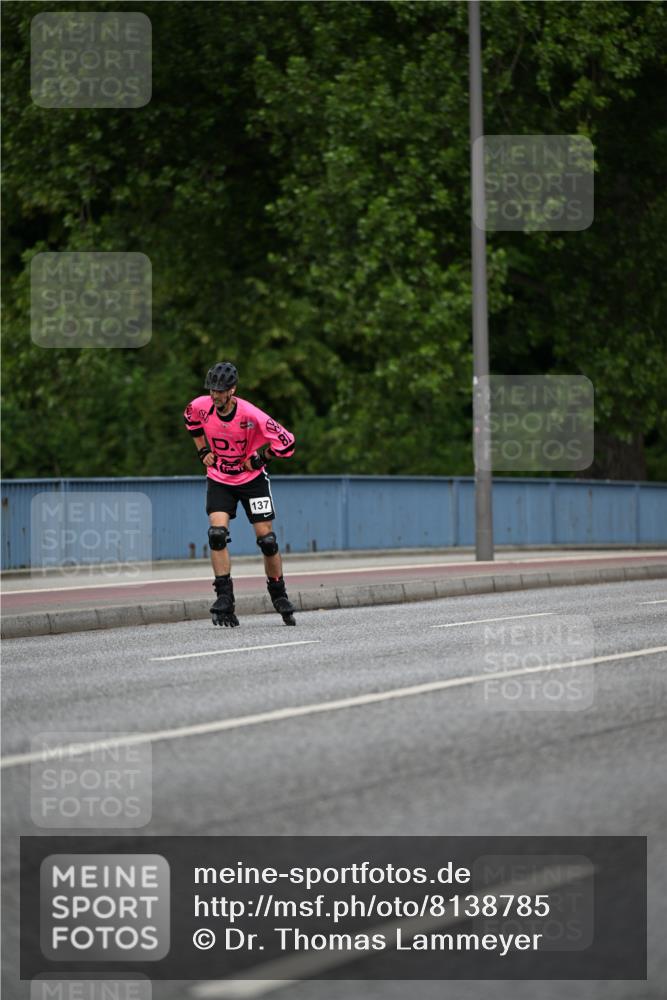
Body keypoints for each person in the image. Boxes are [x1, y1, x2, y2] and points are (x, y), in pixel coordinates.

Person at [184, 361, 297, 627]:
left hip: (252, 481)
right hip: (220, 479)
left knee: (267, 540)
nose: (215, 395)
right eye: (212, 389)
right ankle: (224, 598)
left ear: (232, 390)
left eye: (221, 391)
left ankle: (278, 594)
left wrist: (260, 459)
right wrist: (202, 451)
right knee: (217, 534)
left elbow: (288, 441)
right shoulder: (200, 406)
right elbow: (191, 421)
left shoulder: (251, 414)